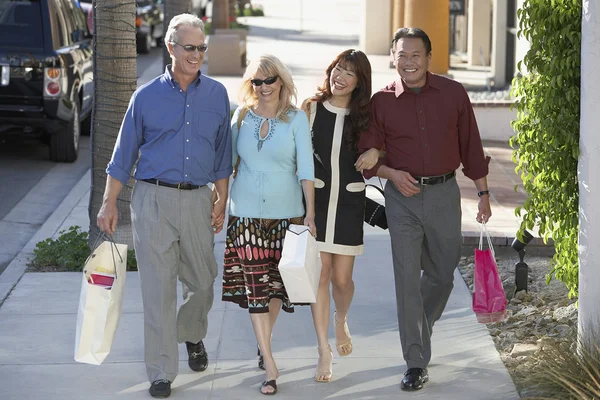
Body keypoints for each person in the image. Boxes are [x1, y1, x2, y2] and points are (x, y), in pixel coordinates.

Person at [96, 14, 232, 398]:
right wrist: (109, 203)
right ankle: (160, 370)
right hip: (152, 198)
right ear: (170, 47)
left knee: (203, 282)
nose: (197, 55)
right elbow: (123, 155)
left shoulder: (217, 94)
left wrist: (221, 197)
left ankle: (190, 333)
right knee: (157, 289)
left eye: (202, 48)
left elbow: (223, 153)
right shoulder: (146, 96)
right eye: (189, 47)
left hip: (198, 199)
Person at [358, 28, 492, 392]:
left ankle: (421, 324)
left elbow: (471, 146)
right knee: (406, 281)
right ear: (393, 58)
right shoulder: (381, 102)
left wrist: (483, 193)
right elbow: (367, 158)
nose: (409, 62)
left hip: (444, 193)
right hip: (400, 198)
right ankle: (415, 361)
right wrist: (390, 172)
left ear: (429, 58)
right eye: (402, 55)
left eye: (416, 55)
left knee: (443, 273)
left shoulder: (453, 93)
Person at [221, 54, 315, 395]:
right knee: (256, 288)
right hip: (244, 213)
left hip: (286, 215)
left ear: (281, 82)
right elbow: (227, 165)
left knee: (275, 287)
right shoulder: (241, 117)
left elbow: (306, 170)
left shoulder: (297, 119)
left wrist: (311, 214)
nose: (263, 88)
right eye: (257, 82)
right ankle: (271, 365)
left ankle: (264, 345)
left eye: (269, 80)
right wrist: (217, 202)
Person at [300, 49, 379, 383]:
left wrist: (376, 150)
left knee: (342, 280)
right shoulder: (311, 109)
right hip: (315, 206)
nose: (340, 77)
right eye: (337, 69)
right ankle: (323, 350)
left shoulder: (367, 117)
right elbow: (296, 157)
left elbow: (384, 145)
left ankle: (341, 319)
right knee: (321, 275)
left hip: (349, 205)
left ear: (359, 82)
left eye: (349, 73)